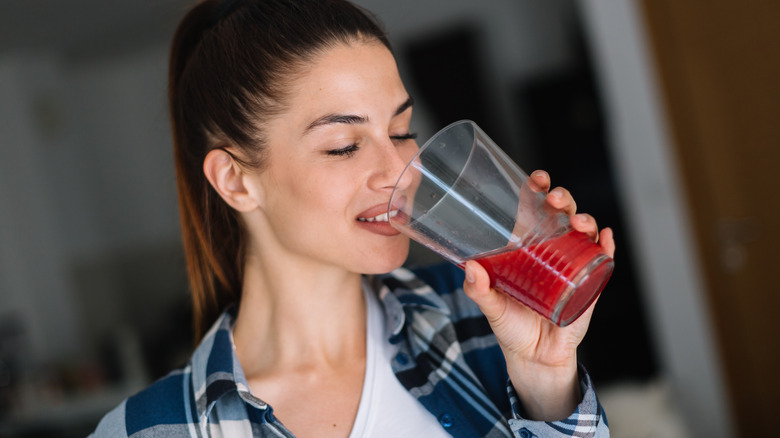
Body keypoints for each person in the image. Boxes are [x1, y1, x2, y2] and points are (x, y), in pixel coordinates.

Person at [91, 0, 614, 436]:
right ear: (235, 179)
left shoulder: (479, 320)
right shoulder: (149, 431)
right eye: (343, 146)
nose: (401, 171)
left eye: (402, 130)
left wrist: (546, 380)